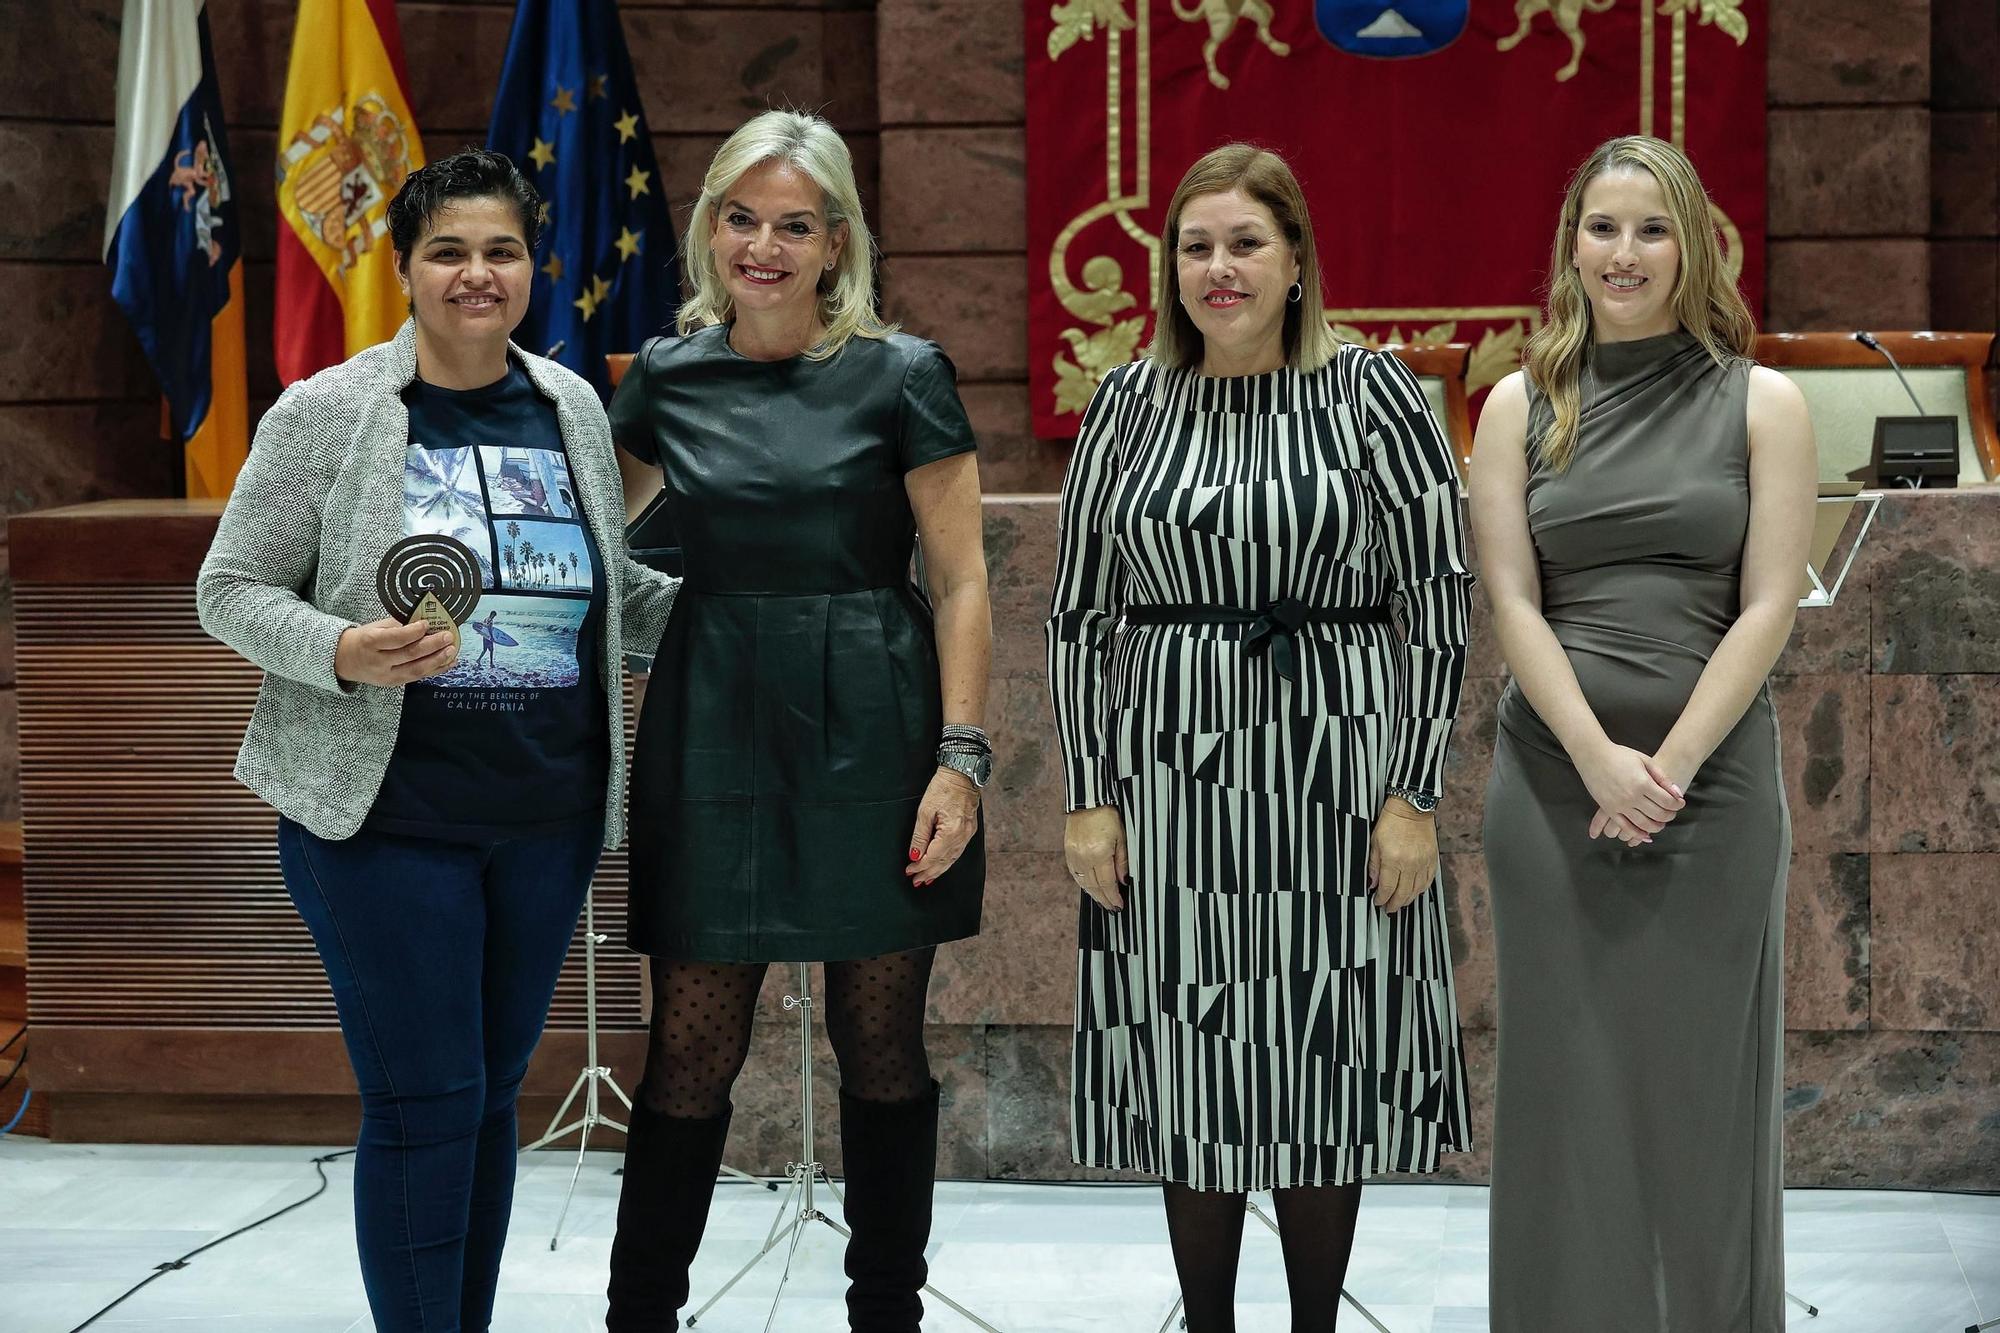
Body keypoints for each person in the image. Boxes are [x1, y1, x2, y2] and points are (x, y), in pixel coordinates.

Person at [195, 149, 681, 1333]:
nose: (477, 273)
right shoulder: (329, 412)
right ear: (404, 267)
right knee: (426, 1099)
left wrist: (765, 620)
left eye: (500, 250)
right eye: (449, 251)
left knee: (487, 1098)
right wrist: (343, 647)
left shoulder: (570, 403)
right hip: (381, 821)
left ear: (534, 265)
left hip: (546, 819)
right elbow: (230, 588)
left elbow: (598, 591)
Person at [1046, 143, 1473, 1331]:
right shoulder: (1128, 402)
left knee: (1323, 1052)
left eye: (1244, 244)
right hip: (1171, 771)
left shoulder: (1375, 394)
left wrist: (1412, 794)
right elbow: (1080, 612)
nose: (1218, 268)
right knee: (1193, 1058)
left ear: (1296, 262)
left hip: (1335, 761)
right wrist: (1088, 790)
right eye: (1194, 247)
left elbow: (1436, 603)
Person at [603, 109, 991, 1333]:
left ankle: (885, 1313)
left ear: (836, 243)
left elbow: (963, 579)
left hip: (873, 725)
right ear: (710, 228)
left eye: (793, 224)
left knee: (877, 1043)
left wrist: (962, 760)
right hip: (709, 725)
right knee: (688, 1051)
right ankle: (638, 1318)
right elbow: (597, 551)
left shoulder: (901, 372)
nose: (762, 245)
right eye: (740, 217)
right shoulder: (665, 375)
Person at [1469, 135, 1815, 1331]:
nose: (1623, 253)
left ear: (1695, 245)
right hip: (1551, 787)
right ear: (1571, 243)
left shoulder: (1762, 401)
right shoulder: (1517, 403)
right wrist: (1594, 760)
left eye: (1650, 228)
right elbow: (1510, 600)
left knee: (1700, 1098)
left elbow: (1768, 601)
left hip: (1707, 792)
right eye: (1601, 227)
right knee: (1563, 1096)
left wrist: (1662, 768)